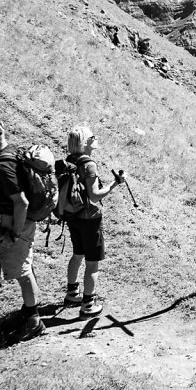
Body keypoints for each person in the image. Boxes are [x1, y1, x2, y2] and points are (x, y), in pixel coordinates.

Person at [0, 116, 45, 342]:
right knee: (25, 265)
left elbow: (20, 201)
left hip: (16, 222)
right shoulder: (11, 153)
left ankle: (33, 321)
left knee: (21, 269)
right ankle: (29, 309)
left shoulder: (3, 164)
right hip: (18, 220)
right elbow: (5, 192)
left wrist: (14, 233)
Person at [62, 126, 125, 318]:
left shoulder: (69, 160)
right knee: (92, 263)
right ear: (85, 142)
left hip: (73, 216)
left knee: (77, 254)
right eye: (93, 137)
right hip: (90, 218)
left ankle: (72, 294)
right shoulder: (89, 165)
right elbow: (95, 196)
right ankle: (88, 304)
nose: (95, 139)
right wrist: (115, 183)